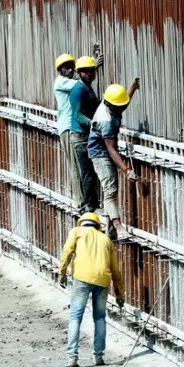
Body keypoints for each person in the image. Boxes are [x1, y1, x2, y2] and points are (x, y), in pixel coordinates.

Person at [57, 212, 124, 367]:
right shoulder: (106, 239)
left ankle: (72, 358)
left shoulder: (76, 232)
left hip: (81, 278)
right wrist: (120, 293)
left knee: (75, 316)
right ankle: (98, 357)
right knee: (100, 318)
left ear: (82, 223)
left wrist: (62, 272)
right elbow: (115, 270)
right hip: (102, 280)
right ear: (97, 226)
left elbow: (67, 251)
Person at [88, 79, 141, 239]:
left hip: (107, 151)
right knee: (110, 190)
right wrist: (127, 170)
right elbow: (110, 149)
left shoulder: (112, 104)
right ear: (111, 105)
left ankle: (109, 232)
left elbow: (123, 102)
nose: (122, 108)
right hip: (100, 153)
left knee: (111, 190)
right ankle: (119, 228)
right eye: (119, 106)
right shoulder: (106, 120)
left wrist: (132, 88)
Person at [52, 53, 90, 212]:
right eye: (66, 67)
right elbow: (80, 85)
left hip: (70, 127)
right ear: (59, 70)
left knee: (80, 165)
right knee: (75, 165)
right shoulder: (62, 82)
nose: (70, 70)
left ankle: (84, 200)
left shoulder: (69, 81)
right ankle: (80, 202)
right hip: (67, 128)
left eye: (71, 67)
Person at [71, 55, 103, 211]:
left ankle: (93, 202)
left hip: (88, 136)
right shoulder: (78, 89)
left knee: (92, 171)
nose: (89, 74)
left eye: (92, 71)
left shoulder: (87, 87)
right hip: (81, 137)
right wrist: (92, 123)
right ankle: (89, 205)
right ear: (79, 73)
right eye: (86, 71)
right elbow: (77, 114)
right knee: (87, 172)